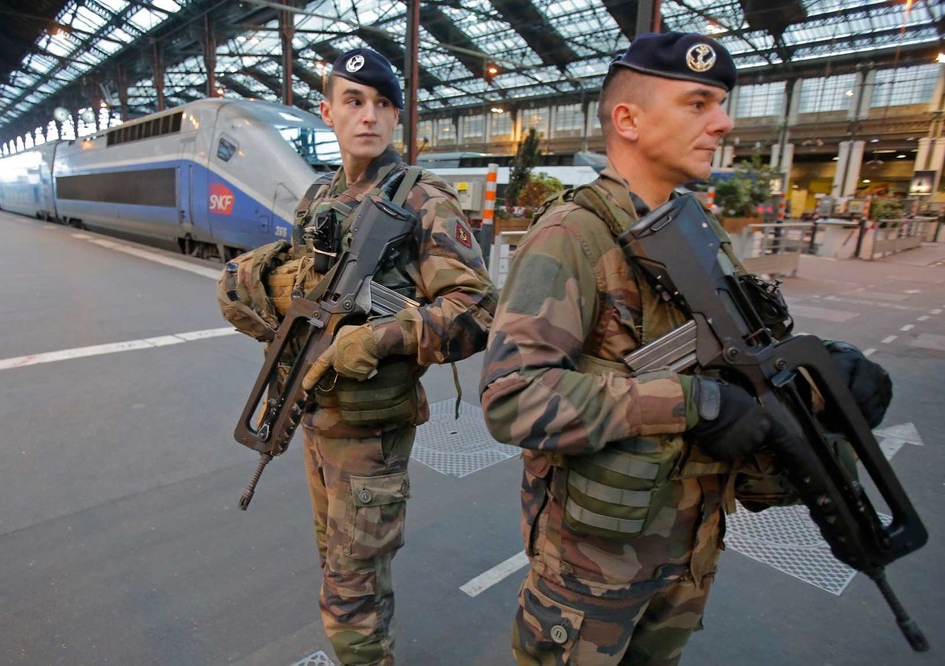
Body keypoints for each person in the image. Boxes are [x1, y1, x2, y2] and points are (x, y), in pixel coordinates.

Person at [478, 32, 892, 665]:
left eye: (720, 103)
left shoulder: (695, 227)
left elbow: (743, 352)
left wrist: (827, 371)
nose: (723, 122)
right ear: (629, 119)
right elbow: (514, 399)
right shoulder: (572, 236)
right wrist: (690, 401)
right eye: (698, 103)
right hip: (592, 571)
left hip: (689, 549)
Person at [219, 48, 496, 665]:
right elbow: (305, 304)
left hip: (370, 433)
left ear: (396, 116)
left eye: (382, 103)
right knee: (337, 565)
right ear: (327, 111)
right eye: (353, 100)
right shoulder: (319, 196)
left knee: (352, 593)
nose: (368, 115)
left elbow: (477, 311)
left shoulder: (425, 199)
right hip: (318, 416)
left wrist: (379, 337)